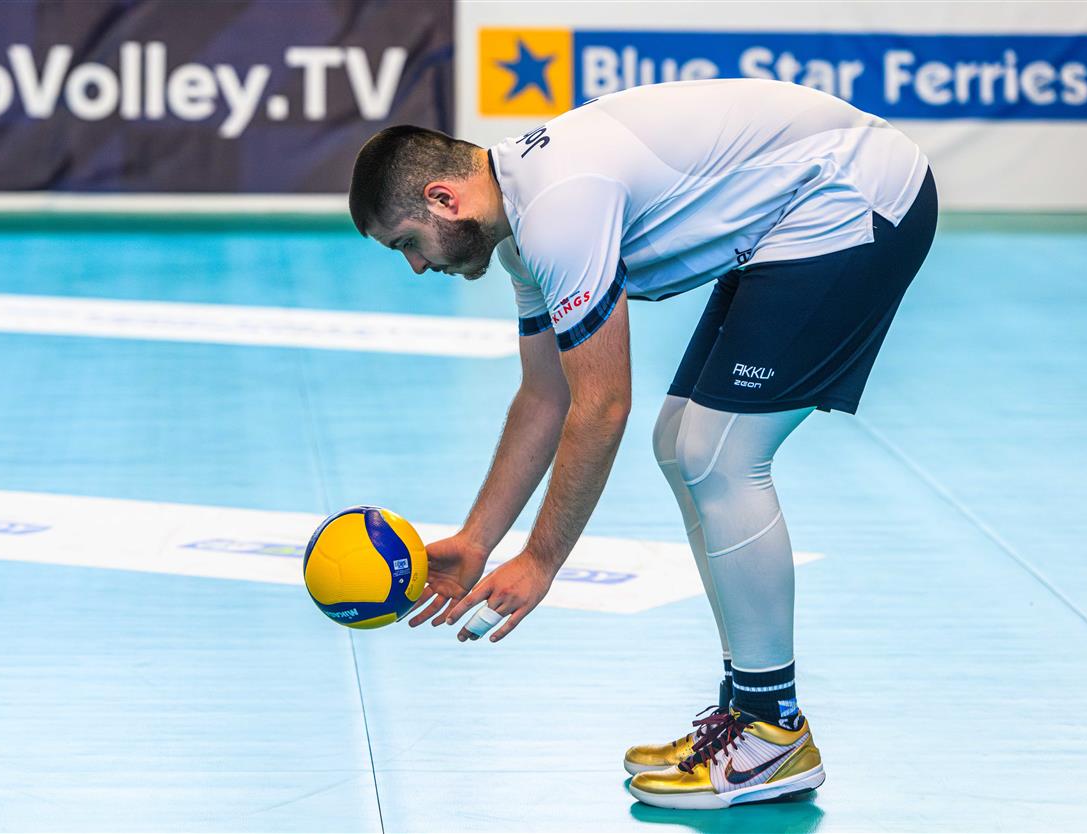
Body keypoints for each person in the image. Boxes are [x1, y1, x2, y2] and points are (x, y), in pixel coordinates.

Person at [347, 78, 937, 810]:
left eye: (407, 243)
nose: (415, 265)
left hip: (857, 196)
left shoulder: (558, 210)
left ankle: (772, 732)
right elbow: (545, 396)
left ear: (444, 199)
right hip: (802, 207)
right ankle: (749, 717)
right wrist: (478, 541)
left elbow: (601, 406)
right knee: (681, 444)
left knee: (717, 455)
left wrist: (541, 561)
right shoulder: (524, 231)